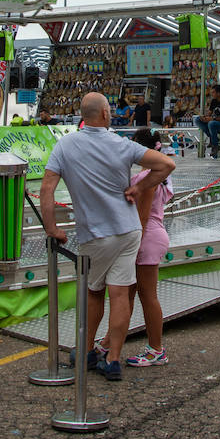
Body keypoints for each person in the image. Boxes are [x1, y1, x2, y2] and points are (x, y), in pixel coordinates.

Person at [39, 92, 176, 381]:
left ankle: (88, 350)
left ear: (81, 115)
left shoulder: (64, 146)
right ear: (103, 114)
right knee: (120, 295)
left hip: (93, 234)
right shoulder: (122, 145)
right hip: (128, 232)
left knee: (93, 293)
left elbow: (47, 189)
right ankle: (113, 359)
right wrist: (139, 188)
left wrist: (52, 228)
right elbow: (166, 165)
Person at [96, 127, 173, 368]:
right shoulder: (155, 176)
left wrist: (130, 244)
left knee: (146, 295)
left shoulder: (148, 178)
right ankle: (109, 343)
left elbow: (141, 216)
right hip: (149, 236)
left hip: (145, 237)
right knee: (127, 295)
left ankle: (156, 349)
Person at [195, 84, 220, 157]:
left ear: (218, 93)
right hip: (213, 122)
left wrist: (212, 119)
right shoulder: (214, 101)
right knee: (197, 120)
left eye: (213, 92)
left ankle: (215, 146)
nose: (212, 94)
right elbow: (210, 113)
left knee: (211, 124)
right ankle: (212, 138)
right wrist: (204, 117)